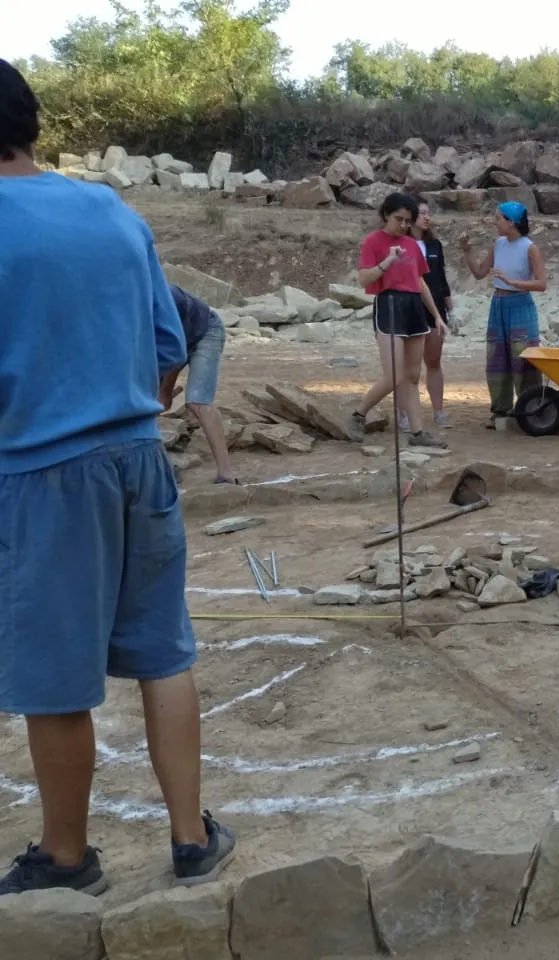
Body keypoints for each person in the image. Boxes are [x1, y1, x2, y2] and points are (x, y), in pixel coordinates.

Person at [0, 58, 237, 896]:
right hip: (139, 458)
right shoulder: (106, 207)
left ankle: (66, 860)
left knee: (56, 682)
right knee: (163, 654)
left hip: (41, 474)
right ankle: (191, 838)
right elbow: (168, 348)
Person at [345, 192, 449, 449]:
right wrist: (388, 261)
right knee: (394, 375)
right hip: (390, 304)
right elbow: (364, 279)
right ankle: (358, 415)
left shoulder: (412, 245)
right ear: (385, 216)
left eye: (407, 220)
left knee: (412, 376)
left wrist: (436, 316)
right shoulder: (373, 242)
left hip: (413, 307)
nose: (403, 225)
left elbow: (421, 282)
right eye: (398, 219)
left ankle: (418, 432)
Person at [460, 201, 548, 429]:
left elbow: (541, 283)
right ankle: (500, 410)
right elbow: (480, 272)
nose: (494, 222)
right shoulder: (498, 244)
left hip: (520, 305)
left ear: (512, 222)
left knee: (523, 358)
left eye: (498, 218)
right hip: (498, 305)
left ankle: (530, 409)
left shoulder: (529, 247)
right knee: (497, 357)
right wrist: (467, 251)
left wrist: (511, 282)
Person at [160, 284, 241, 485]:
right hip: (178, 340)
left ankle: (226, 473)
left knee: (198, 402)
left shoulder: (164, 301)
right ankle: (163, 469)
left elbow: (175, 353)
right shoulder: (128, 309)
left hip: (206, 331)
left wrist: (165, 392)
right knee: (143, 404)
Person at [411, 200, 458, 431]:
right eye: (422, 213)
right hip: (410, 308)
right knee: (408, 365)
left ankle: (438, 411)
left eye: (428, 213)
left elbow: (441, 279)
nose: (427, 218)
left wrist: (450, 310)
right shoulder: (402, 244)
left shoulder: (435, 245)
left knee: (433, 360)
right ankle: (405, 413)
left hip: (435, 309)